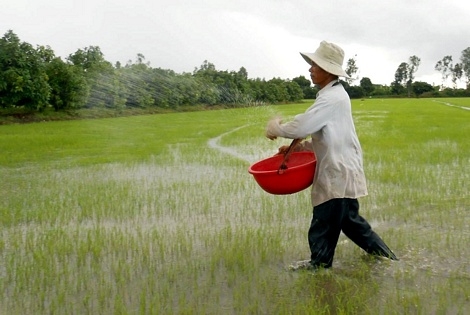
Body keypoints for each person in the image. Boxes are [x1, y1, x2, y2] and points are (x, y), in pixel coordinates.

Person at [265, 40, 398, 271]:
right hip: (342, 168)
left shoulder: (331, 98)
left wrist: (276, 127)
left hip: (337, 171)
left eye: (314, 65)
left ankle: (319, 267)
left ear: (328, 70)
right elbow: (327, 136)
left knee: (323, 223)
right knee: (352, 224)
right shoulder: (334, 96)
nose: (310, 69)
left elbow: (301, 126)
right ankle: (389, 260)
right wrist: (298, 148)